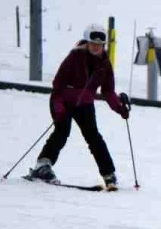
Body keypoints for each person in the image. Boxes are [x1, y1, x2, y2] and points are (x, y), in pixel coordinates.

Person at [28, 24, 130, 190]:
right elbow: (58, 85)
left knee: (94, 137)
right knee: (62, 131)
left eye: (100, 44)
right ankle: (43, 165)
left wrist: (120, 108)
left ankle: (108, 174)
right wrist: (59, 108)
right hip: (63, 101)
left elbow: (108, 91)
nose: (96, 47)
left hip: (85, 104)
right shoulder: (74, 57)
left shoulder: (104, 63)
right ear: (87, 42)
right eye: (93, 43)